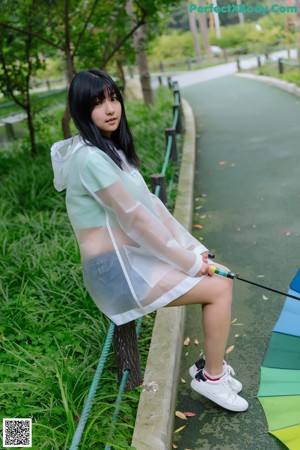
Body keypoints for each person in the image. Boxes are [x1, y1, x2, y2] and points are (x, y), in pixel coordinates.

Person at [50, 69, 248, 412]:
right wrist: (188, 262)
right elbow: (136, 220)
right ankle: (211, 378)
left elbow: (151, 208)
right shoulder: (90, 158)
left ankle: (207, 368)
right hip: (115, 271)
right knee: (218, 286)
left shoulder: (108, 149)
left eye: (113, 99)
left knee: (218, 275)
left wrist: (193, 250)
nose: (111, 109)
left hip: (132, 258)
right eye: (98, 103)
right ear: (83, 110)